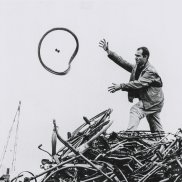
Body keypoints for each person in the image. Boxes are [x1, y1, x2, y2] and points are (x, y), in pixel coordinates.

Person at [99, 39, 164, 133]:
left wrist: (121, 86)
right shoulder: (138, 67)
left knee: (135, 110)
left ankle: (129, 134)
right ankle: (162, 142)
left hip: (152, 101)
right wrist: (109, 51)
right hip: (153, 101)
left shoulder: (150, 71)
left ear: (145, 57)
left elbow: (138, 84)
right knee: (154, 124)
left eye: (138, 56)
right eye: (135, 56)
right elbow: (123, 62)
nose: (136, 58)